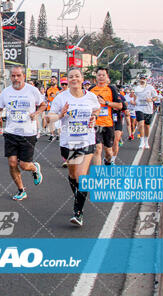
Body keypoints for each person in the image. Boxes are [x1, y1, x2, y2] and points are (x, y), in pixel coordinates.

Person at [45, 68, 100, 226]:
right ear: (67, 80)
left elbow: (97, 109)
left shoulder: (90, 96)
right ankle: (78, 196)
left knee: (81, 177)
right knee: (73, 175)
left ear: (82, 79)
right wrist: (61, 115)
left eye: (77, 76)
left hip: (86, 141)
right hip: (69, 142)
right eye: (71, 77)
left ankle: (78, 212)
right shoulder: (61, 98)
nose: (74, 79)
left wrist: (94, 117)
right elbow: (49, 118)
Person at [0, 67, 44, 201]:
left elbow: (43, 105)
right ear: (10, 77)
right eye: (13, 76)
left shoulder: (32, 90)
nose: (16, 78)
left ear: (23, 76)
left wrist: (36, 113)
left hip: (28, 133)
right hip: (11, 132)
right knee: (12, 163)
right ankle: (21, 190)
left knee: (24, 165)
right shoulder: (6, 92)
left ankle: (34, 168)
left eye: (18, 75)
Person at [88, 68, 123, 166]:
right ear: (96, 77)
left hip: (108, 124)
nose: (101, 77)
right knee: (97, 149)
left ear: (107, 77)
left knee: (108, 151)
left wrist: (106, 103)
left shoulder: (111, 89)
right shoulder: (91, 90)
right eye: (99, 75)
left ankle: (107, 160)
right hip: (95, 124)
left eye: (103, 75)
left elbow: (120, 106)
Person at [133, 74, 157, 149]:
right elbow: (135, 96)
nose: (142, 80)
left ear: (146, 80)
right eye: (141, 78)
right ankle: (142, 141)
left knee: (147, 126)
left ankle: (146, 141)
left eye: (144, 78)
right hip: (139, 108)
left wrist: (151, 100)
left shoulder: (150, 88)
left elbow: (155, 97)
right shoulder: (137, 88)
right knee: (140, 124)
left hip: (148, 108)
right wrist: (134, 101)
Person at [111, 85, 128, 164]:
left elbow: (124, 108)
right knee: (108, 144)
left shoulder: (119, 98)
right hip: (108, 122)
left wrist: (125, 112)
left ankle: (113, 159)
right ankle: (108, 157)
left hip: (118, 120)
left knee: (116, 140)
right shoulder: (106, 98)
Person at [45, 76, 62, 142]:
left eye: (53, 80)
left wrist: (55, 96)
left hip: (57, 108)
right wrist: (48, 100)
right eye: (51, 80)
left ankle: (58, 135)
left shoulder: (59, 88)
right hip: (50, 107)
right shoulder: (48, 89)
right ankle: (52, 135)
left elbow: (61, 97)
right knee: (50, 121)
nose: (52, 81)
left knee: (58, 122)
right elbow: (46, 97)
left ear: (56, 81)